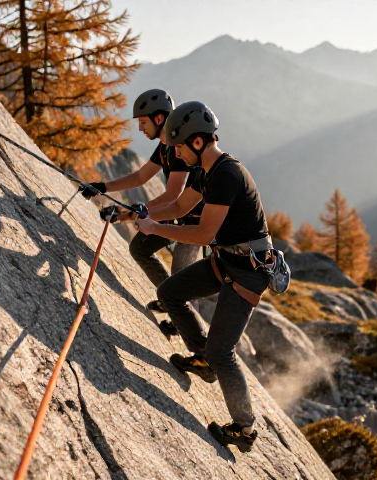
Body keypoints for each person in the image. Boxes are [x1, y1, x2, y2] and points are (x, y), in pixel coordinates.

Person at [134, 101, 271, 453]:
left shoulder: (225, 175)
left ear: (196, 142)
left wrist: (155, 228)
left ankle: (244, 430)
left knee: (223, 351)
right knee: (170, 292)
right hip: (229, 261)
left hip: (248, 272)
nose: (174, 152)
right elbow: (181, 207)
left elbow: (203, 234)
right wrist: (141, 214)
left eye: (178, 145)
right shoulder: (207, 170)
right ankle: (202, 358)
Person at [79, 89, 203, 336]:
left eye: (143, 122)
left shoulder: (178, 148)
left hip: (193, 221)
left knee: (181, 277)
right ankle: (172, 301)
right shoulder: (164, 147)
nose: (140, 129)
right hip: (176, 215)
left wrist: (134, 213)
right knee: (140, 248)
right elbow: (141, 176)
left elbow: (174, 195)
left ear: (159, 119)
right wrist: (103, 187)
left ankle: (186, 325)